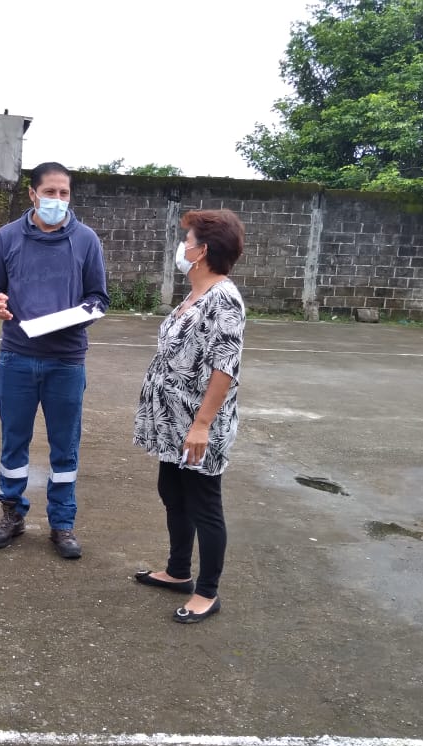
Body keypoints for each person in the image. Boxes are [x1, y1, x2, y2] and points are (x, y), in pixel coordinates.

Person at [0, 161, 109, 559]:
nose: (57, 199)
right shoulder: (7, 237)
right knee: (13, 442)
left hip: (66, 361)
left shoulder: (86, 240)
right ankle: (12, 515)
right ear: (32, 194)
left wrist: (76, 316)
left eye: (64, 193)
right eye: (50, 192)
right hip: (17, 356)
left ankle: (62, 523)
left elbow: (99, 298)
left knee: (64, 447)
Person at [132, 209, 246, 624]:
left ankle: (207, 592)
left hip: (198, 423)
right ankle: (178, 571)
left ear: (202, 251)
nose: (182, 247)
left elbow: (225, 366)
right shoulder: (195, 295)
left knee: (204, 505)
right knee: (173, 492)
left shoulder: (224, 298)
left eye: (188, 241)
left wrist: (201, 425)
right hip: (171, 421)